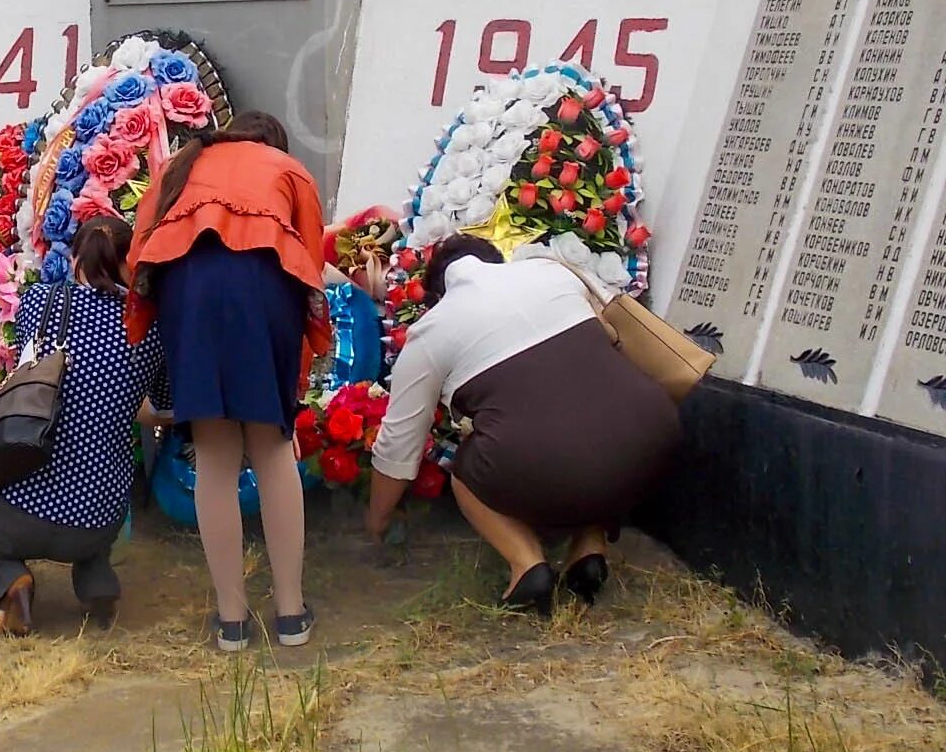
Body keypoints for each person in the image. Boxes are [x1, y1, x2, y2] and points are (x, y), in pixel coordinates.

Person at [366, 235, 682, 614]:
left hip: (556, 461)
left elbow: (399, 448)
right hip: (654, 435)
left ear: (436, 293)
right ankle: (589, 547)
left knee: (467, 473)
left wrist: (377, 520)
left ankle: (527, 565)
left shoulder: (432, 330)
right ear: (498, 261)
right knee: (593, 417)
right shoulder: (553, 274)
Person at [125, 111, 330, 651]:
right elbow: (309, 262)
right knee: (271, 448)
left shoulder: (175, 168)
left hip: (187, 296)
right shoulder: (289, 170)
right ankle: (290, 615)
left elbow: (138, 257)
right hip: (266, 291)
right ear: (274, 143)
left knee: (215, 456)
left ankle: (231, 622)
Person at [0, 218, 172, 635]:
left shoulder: (41, 301)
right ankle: (99, 587)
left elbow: (35, 369)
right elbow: (163, 409)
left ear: (75, 258)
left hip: (26, 509)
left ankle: (11, 583)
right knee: (97, 472)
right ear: (129, 263)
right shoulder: (151, 329)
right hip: (102, 517)